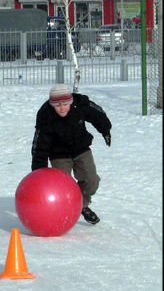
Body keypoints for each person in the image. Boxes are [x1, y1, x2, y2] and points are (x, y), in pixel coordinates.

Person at [31, 84, 112, 224]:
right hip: (59, 155)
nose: (62, 108)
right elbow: (40, 146)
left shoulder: (79, 105)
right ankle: (64, 212)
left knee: (92, 181)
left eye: (65, 104)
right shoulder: (46, 116)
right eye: (57, 105)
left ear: (71, 101)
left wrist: (105, 130)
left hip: (81, 150)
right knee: (62, 188)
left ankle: (81, 205)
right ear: (52, 105)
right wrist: (39, 172)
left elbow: (97, 115)